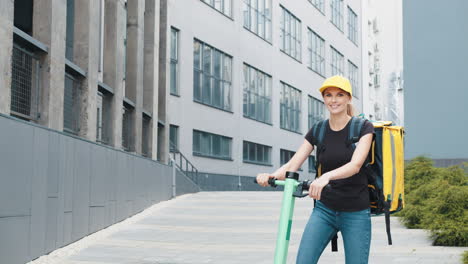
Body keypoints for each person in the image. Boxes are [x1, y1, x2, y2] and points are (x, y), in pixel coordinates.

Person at [256, 75, 374, 264]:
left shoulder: (363, 127)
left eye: (339, 95)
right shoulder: (318, 129)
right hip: (324, 209)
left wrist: (325, 177)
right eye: (328, 95)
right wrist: (272, 175)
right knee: (303, 261)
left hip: (355, 211)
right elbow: (293, 163)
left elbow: (355, 165)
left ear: (348, 98)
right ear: (324, 98)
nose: (333, 100)